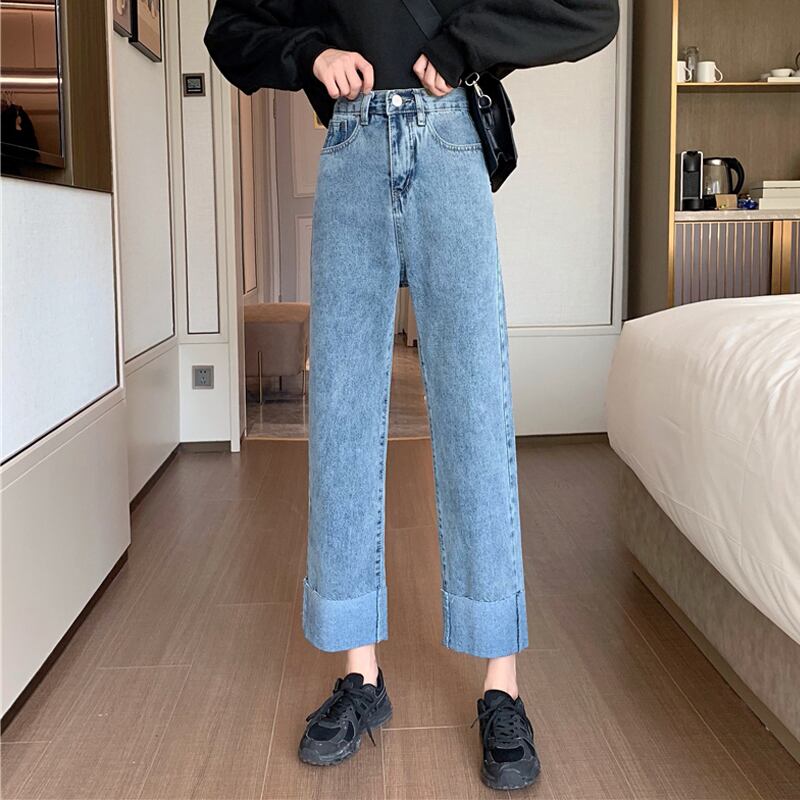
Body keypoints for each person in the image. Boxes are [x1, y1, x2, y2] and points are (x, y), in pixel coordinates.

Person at [204, 0, 618, 790]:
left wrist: (464, 43)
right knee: (342, 417)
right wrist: (311, 54)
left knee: (475, 412)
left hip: (450, 138)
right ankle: (360, 675)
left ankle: (502, 688)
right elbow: (230, 30)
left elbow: (592, 13)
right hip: (352, 144)